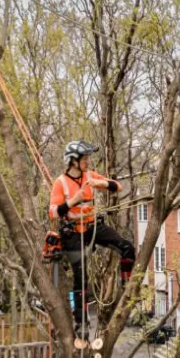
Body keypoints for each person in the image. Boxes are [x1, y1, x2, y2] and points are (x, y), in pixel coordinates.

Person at [49, 140, 136, 340]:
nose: (88, 161)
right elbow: (53, 213)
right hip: (72, 232)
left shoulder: (89, 176)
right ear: (73, 161)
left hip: (92, 227)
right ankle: (81, 322)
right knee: (81, 278)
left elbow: (117, 186)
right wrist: (73, 201)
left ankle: (127, 285)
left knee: (127, 247)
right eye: (84, 158)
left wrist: (101, 183)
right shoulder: (61, 183)